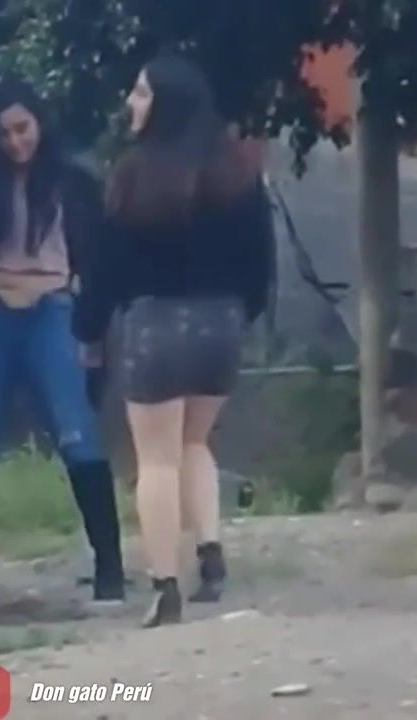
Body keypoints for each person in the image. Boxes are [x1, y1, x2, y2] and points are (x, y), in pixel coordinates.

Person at [74, 54, 275, 628]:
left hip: (155, 326)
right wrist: (242, 313)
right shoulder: (238, 171)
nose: (130, 102)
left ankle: (165, 585)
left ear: (164, 105)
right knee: (195, 441)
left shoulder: (132, 175)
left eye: (140, 93)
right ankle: (210, 555)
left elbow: (104, 268)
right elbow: (260, 259)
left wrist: (88, 332)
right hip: (222, 325)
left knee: (156, 459)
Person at [0, 78, 125, 623]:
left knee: (77, 433)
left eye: (23, 128)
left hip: (52, 310)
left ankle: (110, 569)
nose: (16, 142)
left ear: (39, 123)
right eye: (4, 134)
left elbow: (98, 261)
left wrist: (94, 329)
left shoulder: (72, 184)